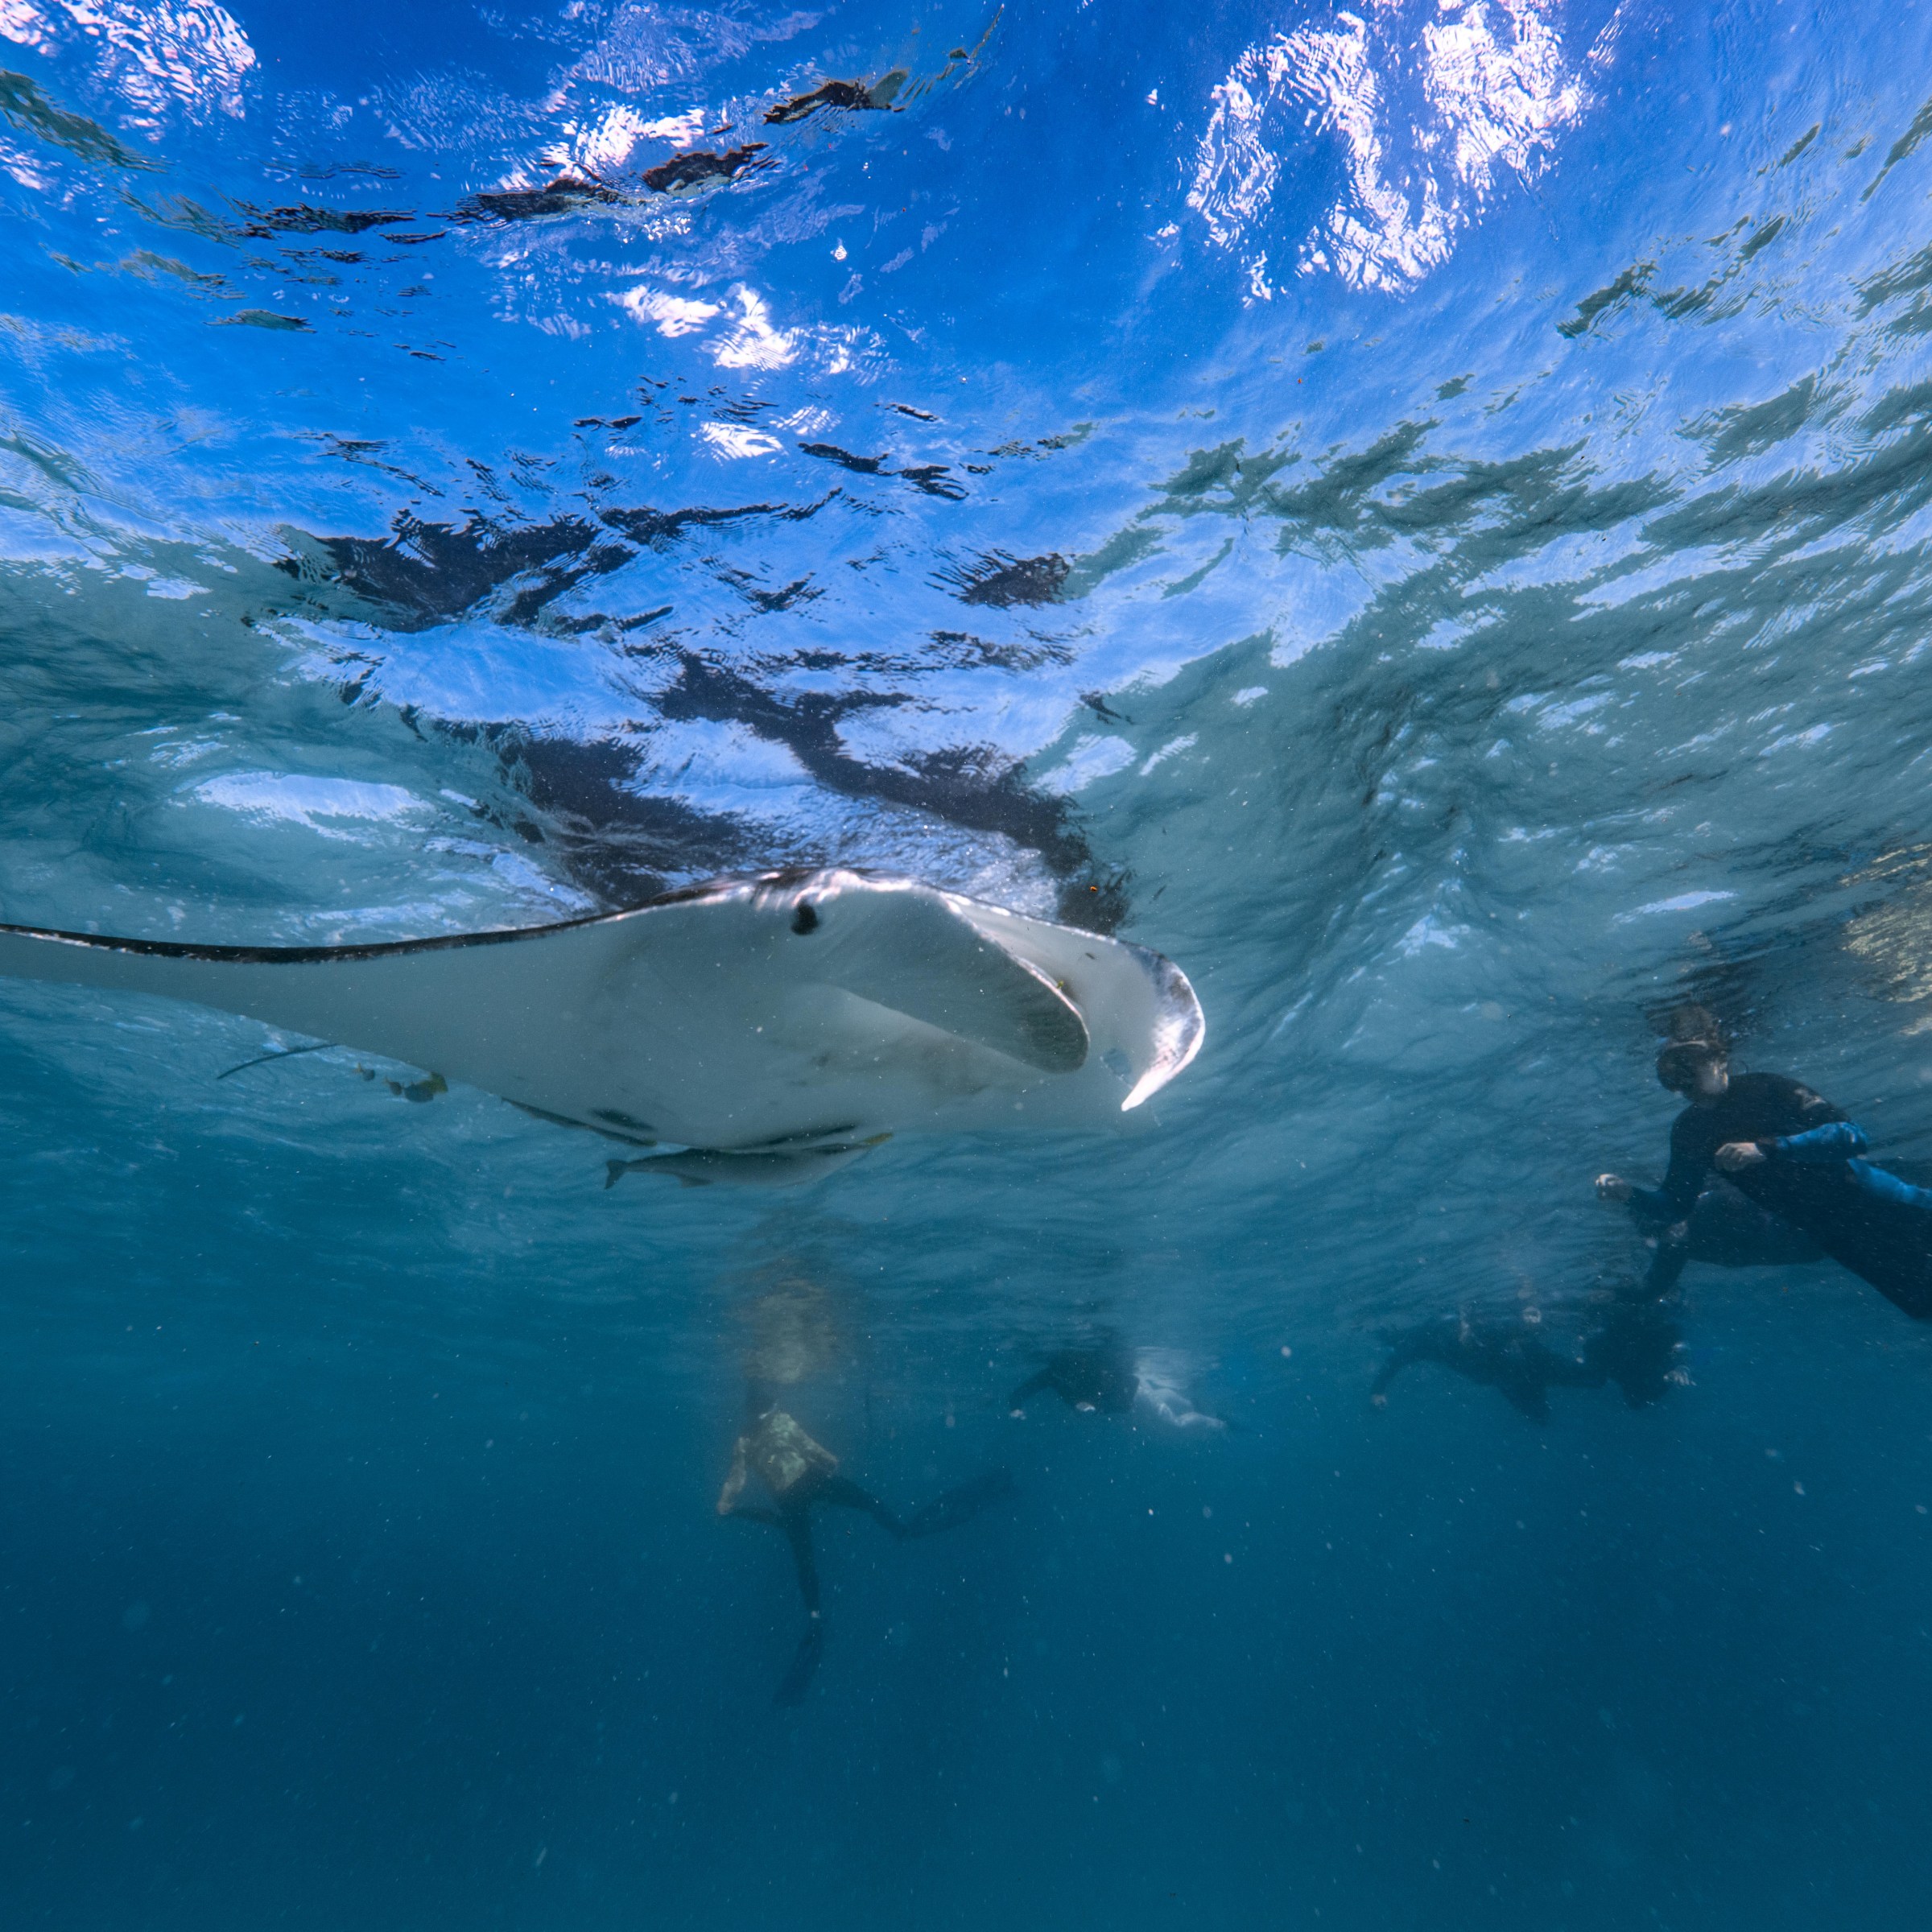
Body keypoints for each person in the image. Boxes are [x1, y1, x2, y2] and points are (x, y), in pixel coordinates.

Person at [1596, 1024, 1932, 1320]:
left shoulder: (1767, 1088)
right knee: (1922, 1305)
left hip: (1881, 1201)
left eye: (1688, 1064)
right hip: (1832, 1234)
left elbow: (1853, 1138)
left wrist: (1768, 1148)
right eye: (1671, 1074)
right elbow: (1676, 1206)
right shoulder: (1689, 1130)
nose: (1682, 1080)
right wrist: (1630, 1196)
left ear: (1719, 1058)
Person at [717, 1388, 1014, 1704]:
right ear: (769, 1403)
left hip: (787, 1502)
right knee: (869, 1503)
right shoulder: (781, 1420)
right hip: (812, 1480)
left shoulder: (744, 1442)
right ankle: (903, 1530)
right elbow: (807, 1445)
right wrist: (829, 1460)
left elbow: (736, 1479)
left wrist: (726, 1503)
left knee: (804, 1561)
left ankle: (816, 1617)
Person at [1599, 1171, 1823, 1298]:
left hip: (1809, 1230)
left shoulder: (1710, 1203)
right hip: (1806, 1246)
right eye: (1662, 1234)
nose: (1673, 1235)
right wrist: (1612, 1295)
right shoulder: (1675, 1247)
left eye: (1670, 1226)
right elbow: (1654, 1286)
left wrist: (1630, 1194)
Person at [1370, 1312, 1596, 1422]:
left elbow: (1525, 1326)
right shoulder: (1429, 1341)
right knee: (1541, 1417)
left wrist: (1533, 1321)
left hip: (1529, 1363)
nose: (1466, 1335)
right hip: (1508, 1377)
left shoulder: (1486, 1327)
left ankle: (1591, 1355)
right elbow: (1396, 1360)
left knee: (1593, 1379)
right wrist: (1378, 1390)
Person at [1008, 1335, 1225, 1432]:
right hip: (1132, 1394)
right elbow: (1023, 1390)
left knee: (1174, 1422)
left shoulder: (1084, 1365)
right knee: (1155, 1395)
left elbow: (1123, 1385)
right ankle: (1189, 1402)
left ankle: (1218, 1424)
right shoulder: (1053, 1373)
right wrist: (1016, 1407)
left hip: (1131, 1398)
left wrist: (1096, 1407)